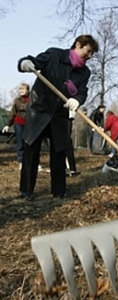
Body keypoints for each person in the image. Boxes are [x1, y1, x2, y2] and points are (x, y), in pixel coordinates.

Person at [17, 34, 98, 200]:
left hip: (60, 115)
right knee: (31, 150)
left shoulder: (84, 72)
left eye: (92, 54)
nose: (89, 56)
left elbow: (82, 91)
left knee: (59, 152)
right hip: (39, 110)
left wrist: (77, 100)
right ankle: (26, 191)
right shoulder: (55, 55)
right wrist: (25, 63)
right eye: (88, 51)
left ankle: (59, 192)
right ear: (78, 44)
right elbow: (35, 61)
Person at [2, 83, 30, 170]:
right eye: (20, 89)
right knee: (20, 143)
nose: (21, 91)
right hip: (18, 123)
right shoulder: (17, 100)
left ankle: (30, 161)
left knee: (29, 143)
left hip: (29, 123)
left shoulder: (32, 99)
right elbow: (13, 113)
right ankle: (21, 162)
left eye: (23, 89)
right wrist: (7, 124)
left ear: (27, 90)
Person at [65, 111, 80, 176]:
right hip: (59, 117)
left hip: (67, 117)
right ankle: (66, 168)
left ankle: (72, 168)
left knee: (67, 142)